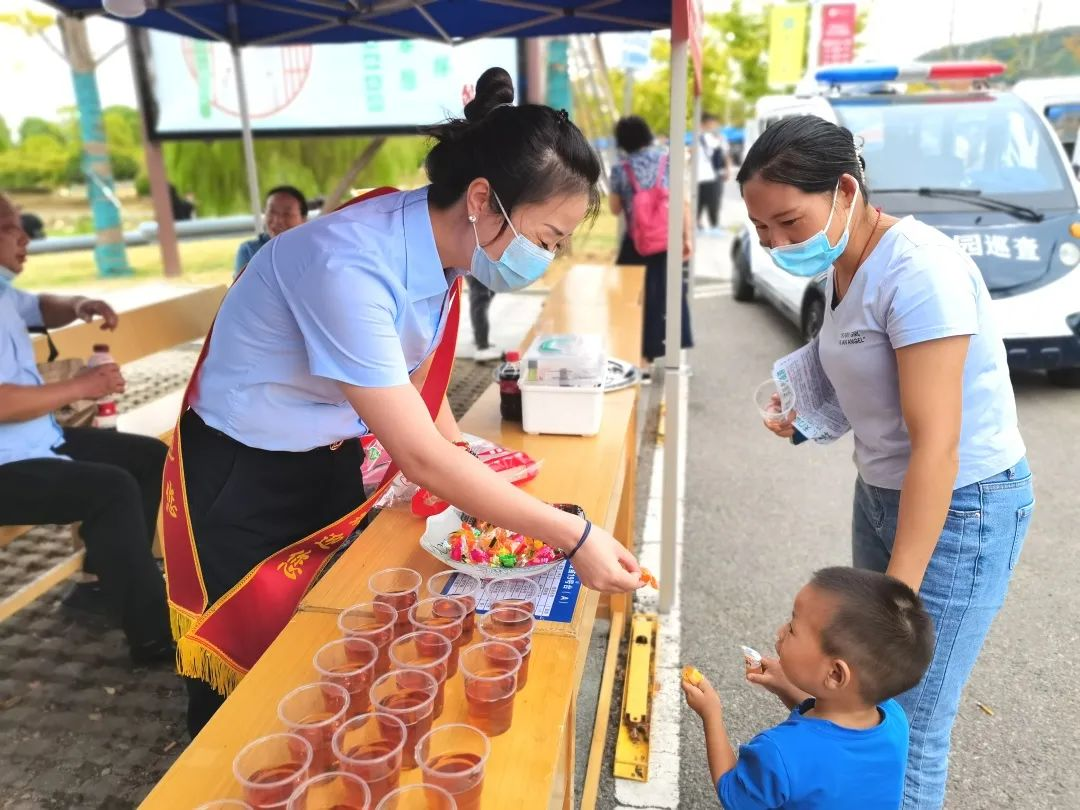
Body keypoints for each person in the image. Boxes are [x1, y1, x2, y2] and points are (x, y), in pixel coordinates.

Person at [166, 67, 644, 737]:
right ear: (482, 198)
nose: (547, 258)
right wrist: (573, 535)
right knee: (240, 651)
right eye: (546, 239)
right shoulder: (350, 263)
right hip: (244, 473)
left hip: (324, 455)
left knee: (320, 632)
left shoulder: (440, 244)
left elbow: (417, 374)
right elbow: (416, 454)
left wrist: (463, 449)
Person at [741, 116, 1033, 810]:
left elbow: (938, 444)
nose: (779, 244)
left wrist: (889, 607)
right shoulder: (847, 261)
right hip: (881, 492)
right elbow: (867, 375)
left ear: (845, 189)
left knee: (908, 721)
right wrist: (804, 421)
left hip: (959, 504)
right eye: (762, 231)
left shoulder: (919, 270)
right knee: (862, 705)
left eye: (789, 221)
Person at [0, 192, 171, 664]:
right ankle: (151, 635)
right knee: (110, 489)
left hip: (36, 442)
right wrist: (83, 386)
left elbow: (40, 307)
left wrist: (79, 303)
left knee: (146, 457)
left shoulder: (2, 292)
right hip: (7, 464)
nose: (25, 237)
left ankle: (103, 581)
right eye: (11, 228)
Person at [683, 567, 935, 809]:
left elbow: (733, 793)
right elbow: (833, 731)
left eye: (792, 628)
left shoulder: (779, 753)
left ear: (835, 674)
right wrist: (785, 687)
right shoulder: (893, 718)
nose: (781, 631)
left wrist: (711, 714)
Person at [609, 115, 693, 365]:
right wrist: (686, 237)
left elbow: (614, 209)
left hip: (636, 243)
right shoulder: (668, 161)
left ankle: (640, 358)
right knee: (669, 294)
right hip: (667, 239)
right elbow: (683, 202)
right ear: (647, 134)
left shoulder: (621, 168)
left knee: (632, 297)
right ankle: (674, 356)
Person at [233, 185, 308, 277]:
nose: (277, 220)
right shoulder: (249, 251)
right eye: (272, 212)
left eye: (287, 214)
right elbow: (243, 290)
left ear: (304, 220)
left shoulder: (312, 251)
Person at [696, 112, 732, 233]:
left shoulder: (721, 138)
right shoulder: (698, 138)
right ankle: (697, 223)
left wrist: (728, 170)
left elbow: (726, 155)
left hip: (715, 174)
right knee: (699, 200)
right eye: (710, 124)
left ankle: (714, 225)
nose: (713, 126)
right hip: (700, 175)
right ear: (703, 124)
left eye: (714, 124)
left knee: (714, 200)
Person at [467, 276, 499, 362]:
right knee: (481, 300)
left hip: (481, 268)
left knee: (482, 297)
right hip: (480, 268)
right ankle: (482, 348)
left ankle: (479, 338)